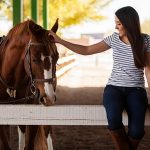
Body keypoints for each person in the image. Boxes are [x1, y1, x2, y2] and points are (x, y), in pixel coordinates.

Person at [49, 6, 150, 150]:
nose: (116, 26)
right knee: (114, 120)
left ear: (129, 23)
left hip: (137, 90)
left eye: (119, 23)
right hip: (114, 89)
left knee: (138, 131)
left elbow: (149, 70)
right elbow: (87, 50)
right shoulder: (113, 39)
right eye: (116, 22)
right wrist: (60, 41)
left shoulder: (146, 40)